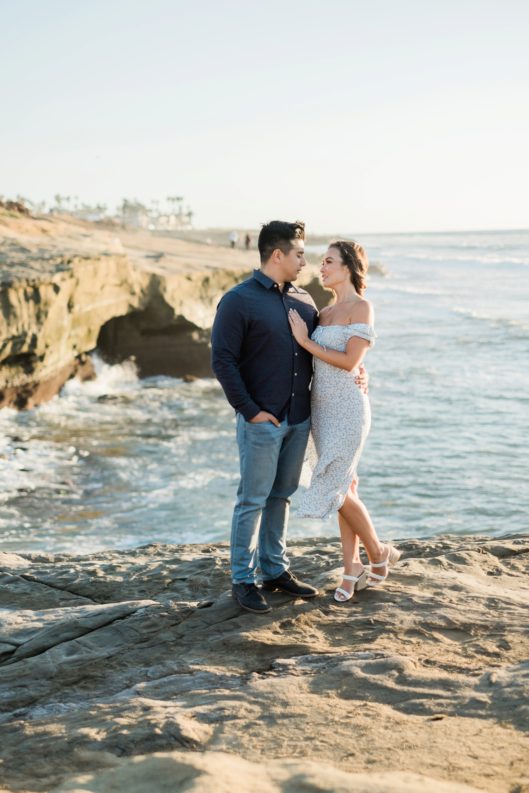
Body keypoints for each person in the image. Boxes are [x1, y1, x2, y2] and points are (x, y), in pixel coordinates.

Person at [212, 220, 348, 614]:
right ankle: (243, 579)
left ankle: (274, 570)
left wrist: (357, 371)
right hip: (262, 421)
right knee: (252, 499)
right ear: (278, 255)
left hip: (299, 418)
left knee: (281, 497)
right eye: (300, 254)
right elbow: (222, 360)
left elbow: (322, 350)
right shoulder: (238, 300)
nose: (306, 261)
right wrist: (250, 411)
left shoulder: (305, 300)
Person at [288, 241, 400, 602]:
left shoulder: (362, 307)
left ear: (349, 267)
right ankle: (351, 566)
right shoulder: (323, 314)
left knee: (335, 488)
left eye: (329, 262)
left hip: (349, 409)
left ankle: (378, 552)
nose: (321, 268)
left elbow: (350, 361)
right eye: (321, 262)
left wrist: (305, 342)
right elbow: (322, 362)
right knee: (345, 489)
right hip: (321, 409)